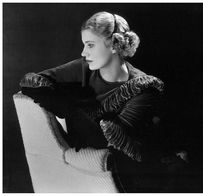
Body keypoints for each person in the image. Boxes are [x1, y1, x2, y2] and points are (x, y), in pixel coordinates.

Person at [19, 11, 187, 193]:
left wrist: (72, 109)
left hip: (138, 169)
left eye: (90, 45)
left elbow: (111, 141)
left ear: (114, 45)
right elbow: (32, 84)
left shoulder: (145, 87)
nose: (84, 52)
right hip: (88, 169)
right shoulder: (83, 68)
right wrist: (69, 108)